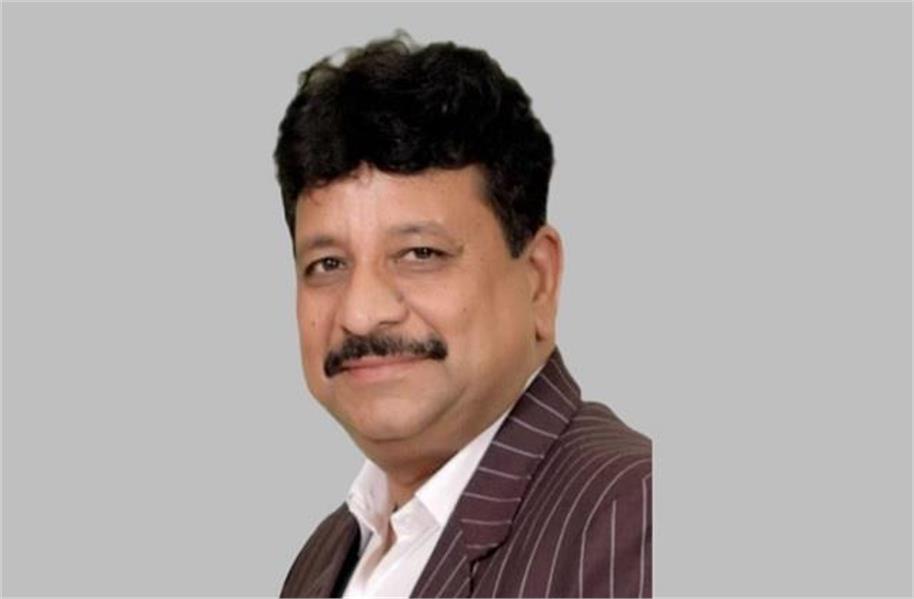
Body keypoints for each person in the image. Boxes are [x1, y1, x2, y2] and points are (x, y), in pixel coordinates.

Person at [272, 33, 652, 598]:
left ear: (538, 279)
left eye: (420, 254)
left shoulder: (632, 517)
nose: (362, 313)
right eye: (327, 264)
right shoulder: (327, 556)